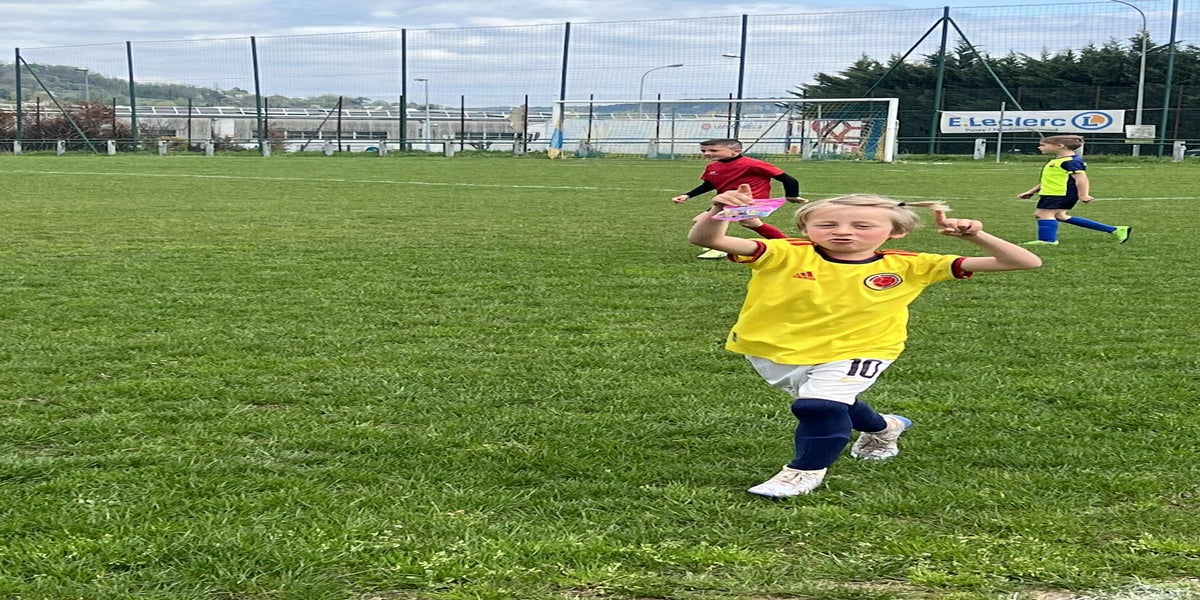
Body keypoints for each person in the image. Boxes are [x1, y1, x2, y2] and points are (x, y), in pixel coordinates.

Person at [688, 184, 1042, 498]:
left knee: (818, 406)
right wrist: (720, 211)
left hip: (865, 347)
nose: (843, 232)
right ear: (806, 229)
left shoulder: (912, 265)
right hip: (773, 346)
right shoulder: (784, 252)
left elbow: (1025, 262)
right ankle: (885, 428)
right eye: (828, 224)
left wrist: (976, 236)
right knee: (830, 402)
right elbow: (708, 240)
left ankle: (803, 472)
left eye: (862, 226)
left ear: (896, 232)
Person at [673, 138, 804, 259]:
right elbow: (709, 185)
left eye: (713, 150)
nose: (707, 153)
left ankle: (720, 247)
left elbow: (789, 180)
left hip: (751, 201)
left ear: (736, 151)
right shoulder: (712, 167)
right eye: (704, 151)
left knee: (709, 220)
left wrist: (792, 195)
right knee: (748, 223)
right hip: (727, 202)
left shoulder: (752, 164)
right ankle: (790, 245)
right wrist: (687, 195)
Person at [1017, 135, 1130, 245]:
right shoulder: (1057, 161)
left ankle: (1047, 240)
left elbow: (1081, 178)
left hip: (1060, 194)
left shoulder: (1071, 161)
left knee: (1043, 214)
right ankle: (1115, 230)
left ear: (1060, 146)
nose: (1040, 147)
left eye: (1043, 145)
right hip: (1053, 193)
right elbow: (1048, 180)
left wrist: (1083, 195)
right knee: (1060, 216)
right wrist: (1031, 191)